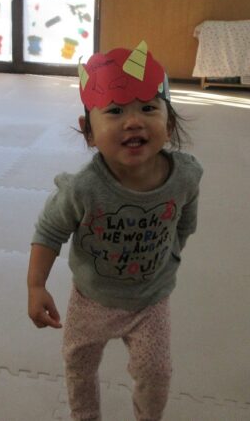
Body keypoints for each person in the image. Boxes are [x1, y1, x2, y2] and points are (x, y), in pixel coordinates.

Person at [27, 41, 203, 421]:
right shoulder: (83, 188)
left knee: (156, 373)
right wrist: (36, 285)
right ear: (89, 132)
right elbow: (49, 231)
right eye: (115, 111)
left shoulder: (186, 175)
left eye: (148, 108)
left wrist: (170, 254)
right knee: (78, 364)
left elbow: (185, 220)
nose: (133, 121)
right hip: (91, 297)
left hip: (150, 299)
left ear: (169, 124)